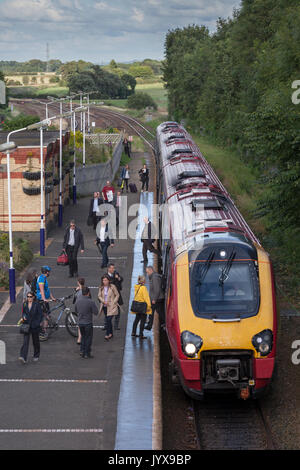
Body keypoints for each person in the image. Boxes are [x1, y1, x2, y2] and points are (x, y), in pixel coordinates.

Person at [19, 292, 44, 364]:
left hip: (34, 326)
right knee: (25, 342)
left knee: (35, 341)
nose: (29, 298)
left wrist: (37, 323)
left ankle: (36, 355)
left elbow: (40, 315)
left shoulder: (37, 305)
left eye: (30, 296)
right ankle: (23, 357)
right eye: (28, 296)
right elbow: (23, 313)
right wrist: (23, 317)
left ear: (33, 297)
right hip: (26, 325)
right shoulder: (25, 304)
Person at [75, 287, 98, 359]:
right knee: (88, 338)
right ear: (88, 293)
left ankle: (82, 351)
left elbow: (76, 311)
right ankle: (87, 353)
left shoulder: (78, 301)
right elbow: (96, 312)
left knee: (83, 337)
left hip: (80, 322)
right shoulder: (91, 302)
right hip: (88, 322)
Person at [36, 266, 56, 338]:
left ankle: (44, 330)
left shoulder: (44, 278)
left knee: (47, 315)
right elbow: (41, 289)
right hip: (41, 300)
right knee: (45, 316)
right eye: (49, 271)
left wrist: (52, 297)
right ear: (46, 272)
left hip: (45, 300)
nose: (49, 273)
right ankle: (42, 332)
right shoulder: (41, 278)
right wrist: (44, 298)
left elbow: (47, 289)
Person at [98, 275, 119, 341]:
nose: (104, 281)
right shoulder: (101, 287)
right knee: (108, 320)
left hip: (111, 306)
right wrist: (103, 301)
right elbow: (99, 296)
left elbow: (117, 295)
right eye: (103, 280)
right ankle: (111, 333)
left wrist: (113, 302)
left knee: (108, 320)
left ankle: (107, 334)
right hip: (104, 306)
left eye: (106, 280)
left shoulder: (113, 287)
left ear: (109, 280)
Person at [145, 266, 165, 330]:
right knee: (158, 311)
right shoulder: (153, 277)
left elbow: (157, 289)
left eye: (147, 272)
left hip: (157, 298)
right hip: (158, 298)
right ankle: (164, 323)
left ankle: (149, 325)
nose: (147, 274)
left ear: (151, 270)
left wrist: (154, 299)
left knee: (153, 311)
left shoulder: (155, 278)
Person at [106, 263, 123, 330]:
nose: (113, 269)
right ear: (108, 268)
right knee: (107, 311)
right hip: (109, 296)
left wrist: (118, 278)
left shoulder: (116, 273)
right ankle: (106, 325)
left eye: (114, 268)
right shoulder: (105, 276)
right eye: (112, 268)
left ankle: (116, 325)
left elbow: (121, 279)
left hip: (116, 295)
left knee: (117, 311)